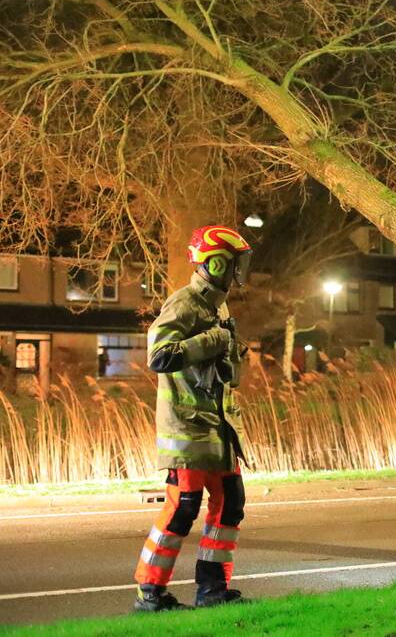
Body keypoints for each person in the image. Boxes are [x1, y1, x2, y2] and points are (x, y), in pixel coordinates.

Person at [133, 225, 253, 611]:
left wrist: (232, 352)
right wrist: (213, 341)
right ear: (216, 264)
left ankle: (213, 591)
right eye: (234, 263)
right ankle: (150, 592)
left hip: (218, 428)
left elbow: (219, 366)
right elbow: (159, 356)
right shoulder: (183, 303)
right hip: (187, 430)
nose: (239, 270)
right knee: (184, 507)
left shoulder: (217, 305)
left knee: (231, 502)